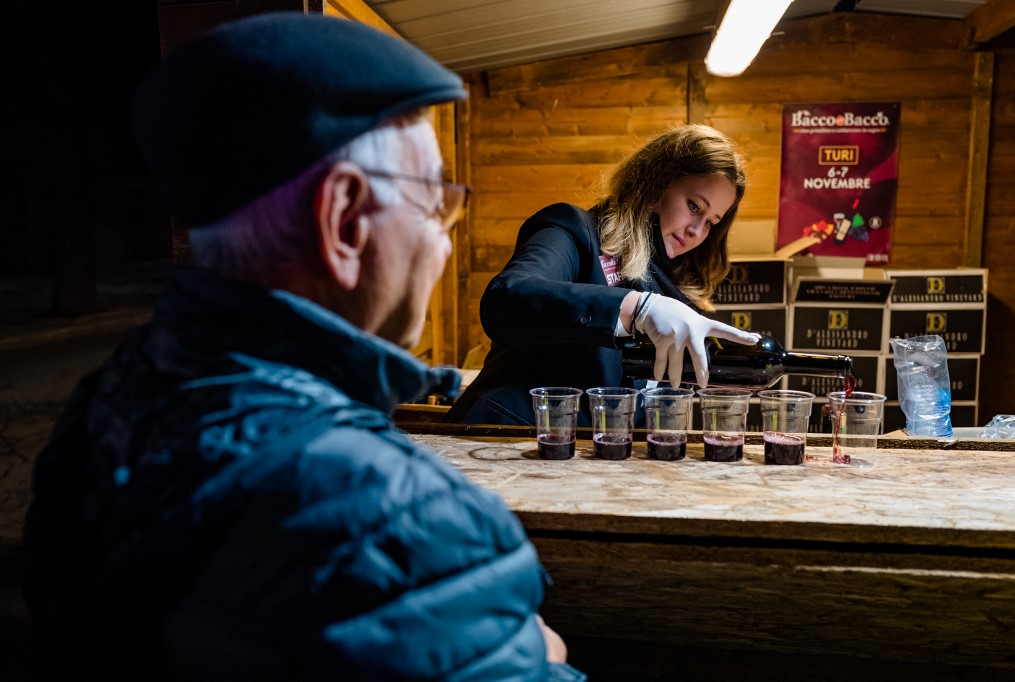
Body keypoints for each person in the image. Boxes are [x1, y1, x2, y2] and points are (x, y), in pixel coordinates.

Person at [23, 13, 583, 681]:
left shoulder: (105, 403)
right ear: (344, 221)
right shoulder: (402, 524)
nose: (444, 240)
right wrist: (543, 653)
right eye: (436, 204)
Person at [447, 124, 760, 426]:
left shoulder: (674, 295)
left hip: (583, 466)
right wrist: (636, 308)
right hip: (503, 441)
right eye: (694, 206)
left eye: (711, 222)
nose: (696, 230)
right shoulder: (574, 230)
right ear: (655, 183)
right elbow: (506, 300)